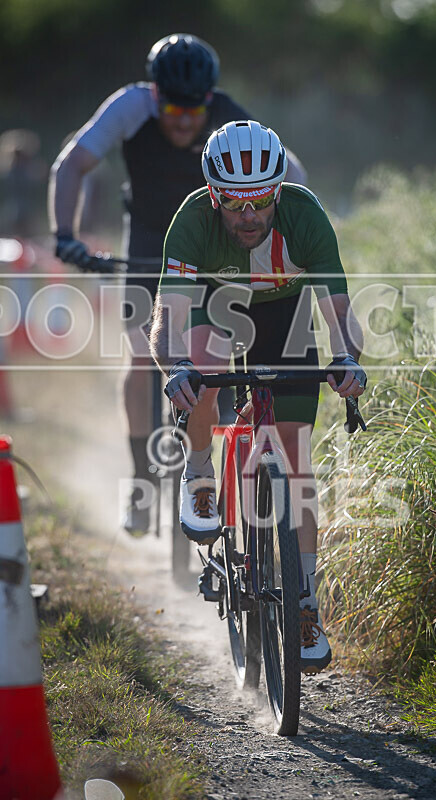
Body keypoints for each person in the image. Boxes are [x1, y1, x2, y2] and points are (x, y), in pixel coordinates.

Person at [48, 33, 306, 535]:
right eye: (172, 107)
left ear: (210, 98)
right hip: (147, 241)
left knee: (225, 356)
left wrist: (298, 233)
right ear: (153, 93)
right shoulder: (129, 107)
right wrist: (65, 235)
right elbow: (72, 164)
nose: (184, 120)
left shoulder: (228, 114)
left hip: (215, 242)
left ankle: (220, 461)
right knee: (143, 356)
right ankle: (140, 480)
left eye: (195, 109)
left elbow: (290, 172)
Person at [149, 120, 366, 674]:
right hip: (215, 307)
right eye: (234, 204)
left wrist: (346, 361)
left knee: (295, 460)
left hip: (282, 315)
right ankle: (200, 473)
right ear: (213, 195)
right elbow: (167, 320)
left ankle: (306, 604)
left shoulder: (305, 215)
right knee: (199, 367)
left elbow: (338, 310)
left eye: (260, 202)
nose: (248, 217)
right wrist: (176, 368)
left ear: (277, 191)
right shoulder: (193, 221)